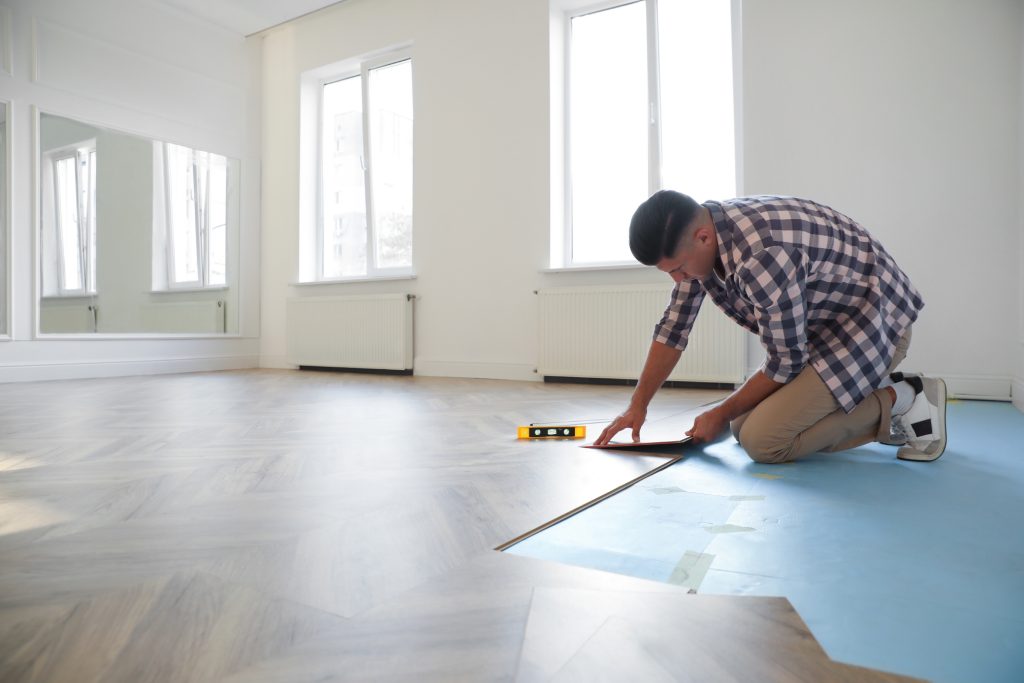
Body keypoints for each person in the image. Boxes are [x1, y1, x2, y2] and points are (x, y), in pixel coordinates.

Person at [594, 191, 947, 463]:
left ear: (702, 237)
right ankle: (878, 396)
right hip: (824, 333)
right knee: (739, 425)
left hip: (873, 326)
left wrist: (718, 410)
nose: (677, 279)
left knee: (765, 441)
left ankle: (906, 398)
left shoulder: (761, 254)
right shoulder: (703, 240)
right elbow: (673, 329)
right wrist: (636, 406)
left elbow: (786, 361)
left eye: (679, 269)